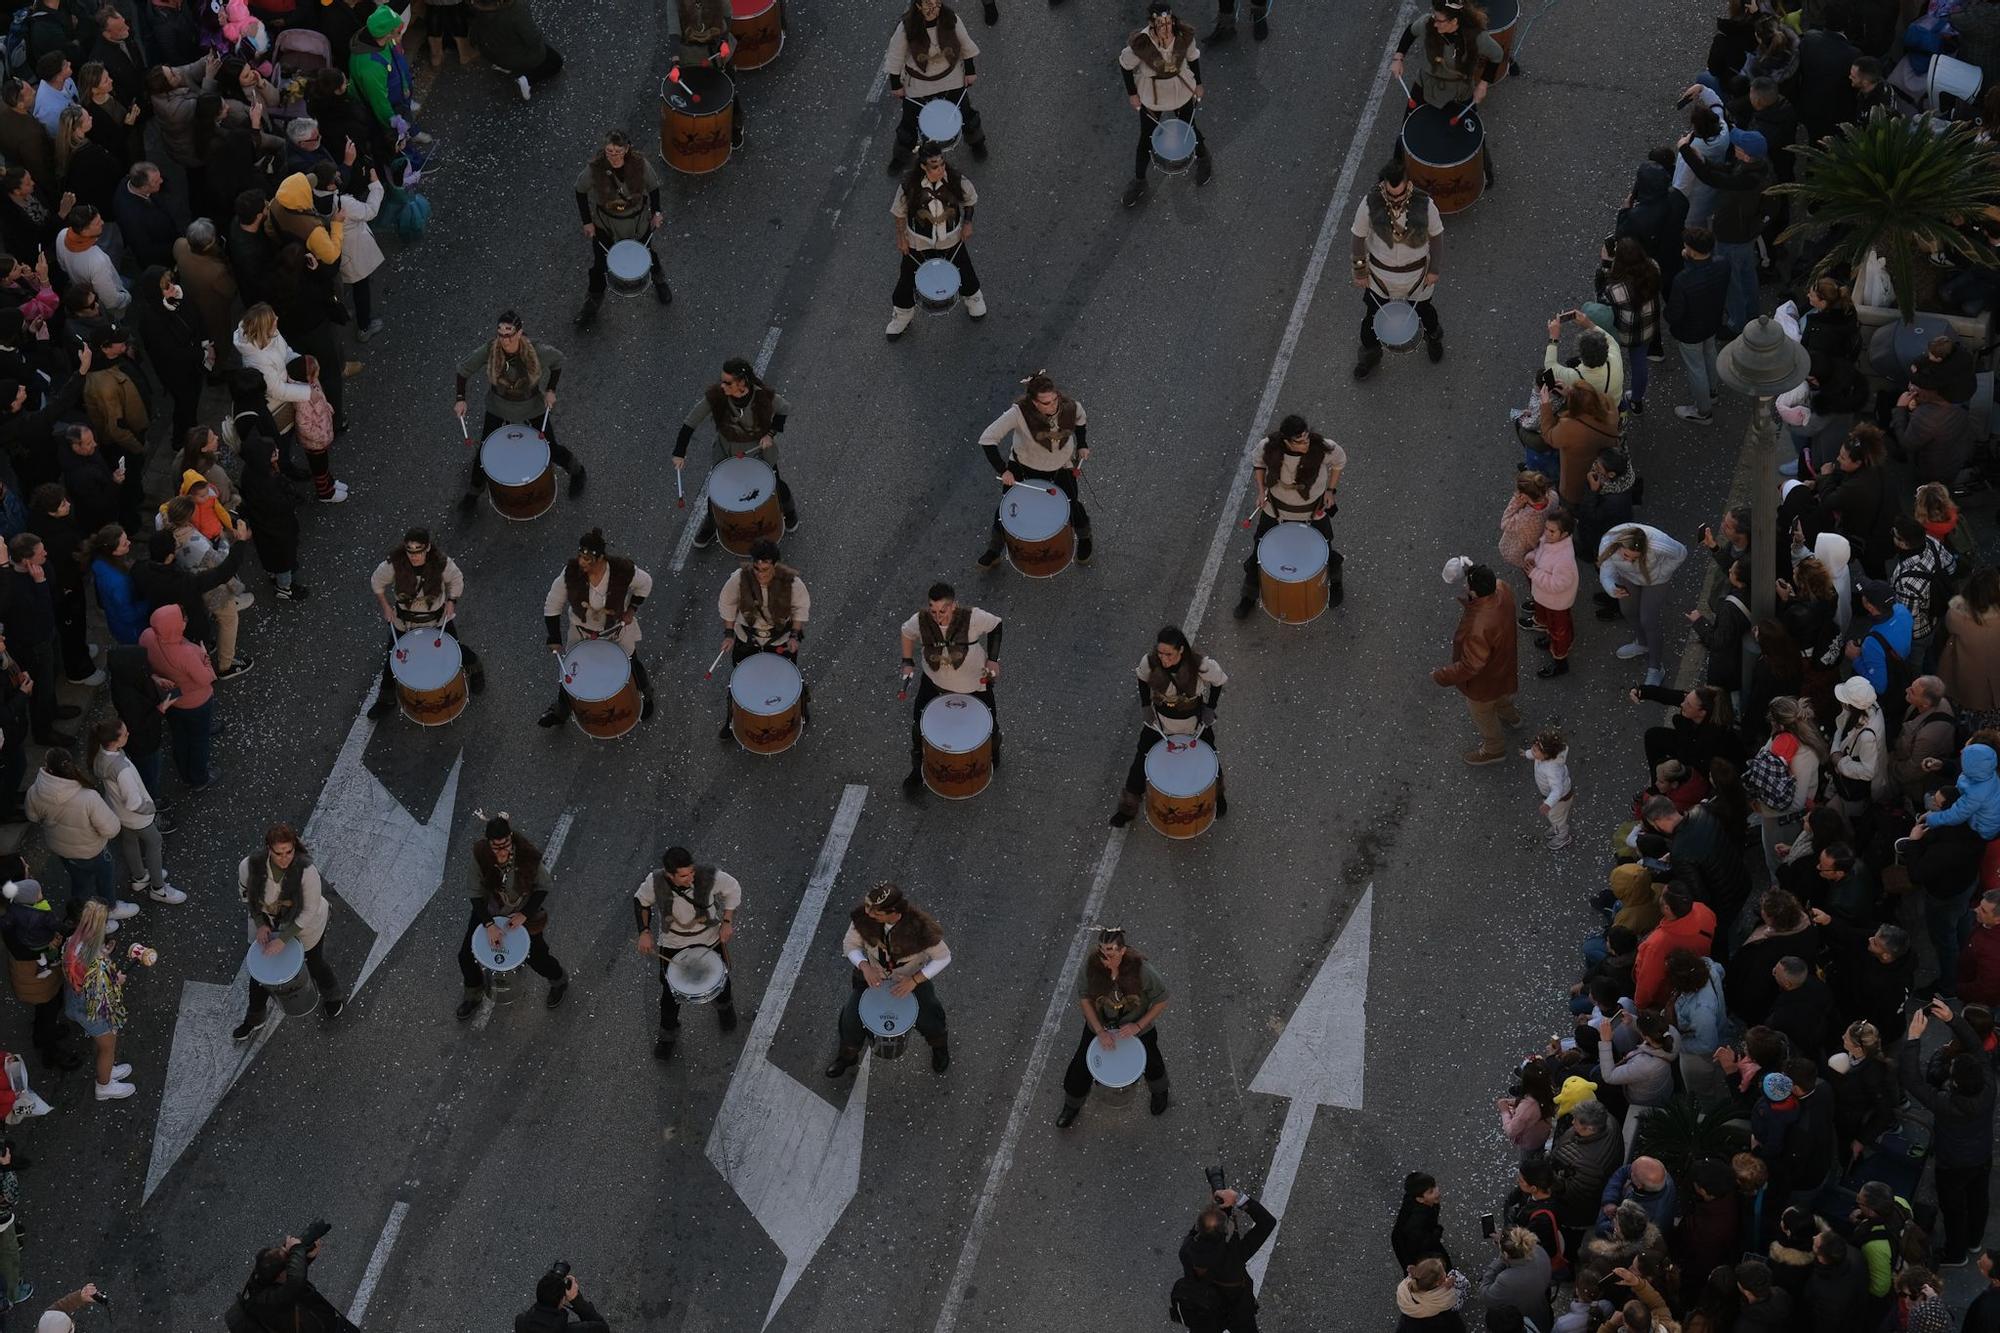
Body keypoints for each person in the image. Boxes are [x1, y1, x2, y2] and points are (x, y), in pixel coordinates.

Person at [454, 309, 586, 512]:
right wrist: (460, 400)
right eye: (500, 334)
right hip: (498, 406)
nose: (504, 340)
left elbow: (558, 362)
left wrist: (551, 390)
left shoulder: (537, 350)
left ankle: (577, 471)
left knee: (549, 447)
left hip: (531, 406)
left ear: (519, 333)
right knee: (484, 453)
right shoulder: (491, 349)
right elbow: (464, 370)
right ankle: (473, 492)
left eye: (508, 334)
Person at [1903, 998, 1995, 1265]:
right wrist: (1953, 1020)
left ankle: (1956, 1253)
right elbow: (1978, 1048)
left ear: (1953, 1081)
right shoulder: (1988, 1085)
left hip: (1953, 1161)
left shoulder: (1946, 1103)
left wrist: (1913, 1038)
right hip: (1981, 1153)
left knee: (1953, 1208)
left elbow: (1911, 1079)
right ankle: (1975, 1241)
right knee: (1979, 1197)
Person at [826, 881, 951, 1077]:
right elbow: (850, 945)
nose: (868, 913)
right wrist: (865, 966)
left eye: (875, 912)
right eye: (868, 907)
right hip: (871, 977)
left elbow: (943, 957)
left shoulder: (921, 928)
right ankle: (847, 1057)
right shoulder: (864, 918)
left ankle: (939, 1049)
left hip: (910, 979)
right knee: (850, 1019)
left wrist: (915, 980)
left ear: (893, 911)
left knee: (931, 1017)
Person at [1107, 625, 1226, 827]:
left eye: (1169, 654)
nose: (1164, 658)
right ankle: (1128, 808)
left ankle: (1217, 796)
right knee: (1140, 762)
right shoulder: (1150, 662)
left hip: (1193, 723)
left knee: (1210, 759)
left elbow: (1219, 680)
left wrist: (1210, 708)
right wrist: (1145, 706)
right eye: (1161, 653)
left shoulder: (1199, 664)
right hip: (1160, 723)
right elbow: (1142, 679)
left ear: (1181, 650)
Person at [235, 822, 344, 1040]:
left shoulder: (306, 871)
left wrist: (283, 939)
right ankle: (255, 1018)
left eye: (289, 851)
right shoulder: (248, 867)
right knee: (259, 976)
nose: (285, 858)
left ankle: (333, 997)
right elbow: (248, 897)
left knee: (314, 962)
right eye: (279, 853)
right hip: (269, 921)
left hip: (305, 926)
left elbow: (309, 911)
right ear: (268, 849)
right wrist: (261, 923)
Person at [674, 357, 798, 547]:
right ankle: (711, 524)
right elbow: (691, 422)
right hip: (727, 451)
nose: (722, 385)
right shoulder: (717, 396)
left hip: (758, 452)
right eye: (722, 380)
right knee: (717, 491)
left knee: (775, 485)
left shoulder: (763, 396)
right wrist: (679, 452)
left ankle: (789, 512)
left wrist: (770, 434)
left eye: (727, 382)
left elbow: (784, 409)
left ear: (742, 382)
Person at [538, 527, 655, 728]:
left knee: (631, 663)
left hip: (616, 632)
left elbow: (646, 583)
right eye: (580, 557)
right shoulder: (571, 573)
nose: (582, 563)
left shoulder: (622, 569)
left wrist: (632, 610)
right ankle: (561, 710)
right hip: (581, 633)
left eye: (588, 559)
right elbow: (552, 604)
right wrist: (554, 637)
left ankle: (645, 696)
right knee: (571, 673)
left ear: (601, 558)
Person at [633, 845, 740, 1063]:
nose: (690, 878)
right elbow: (640, 902)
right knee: (670, 996)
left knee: (720, 980)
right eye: (683, 875)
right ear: (669, 874)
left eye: (691, 872)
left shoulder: (709, 875)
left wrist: (727, 922)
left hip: (709, 938)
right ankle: (667, 1036)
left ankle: (725, 1008)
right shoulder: (655, 882)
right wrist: (644, 932)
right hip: (673, 942)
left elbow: (733, 889)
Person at [455, 813, 568, 1020]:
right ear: (489, 843)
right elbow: (475, 893)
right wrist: (489, 924)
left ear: (510, 837)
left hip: (521, 912)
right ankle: (474, 992)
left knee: (538, 957)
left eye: (506, 844)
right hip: (490, 910)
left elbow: (543, 887)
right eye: (497, 846)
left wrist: (524, 915)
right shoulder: (480, 853)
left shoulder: (527, 855)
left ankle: (559, 980)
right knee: (466, 955)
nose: (502, 850)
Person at [1055, 925, 1170, 1124]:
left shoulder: (1142, 970)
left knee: (1153, 1062)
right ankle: (1072, 1104)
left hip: (1136, 1027)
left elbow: (1162, 999)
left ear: (1122, 951)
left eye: (1110, 953)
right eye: (1102, 953)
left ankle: (1159, 1092)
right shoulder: (1091, 967)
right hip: (1099, 1026)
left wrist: (1138, 1026)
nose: (1105, 959)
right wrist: (1099, 1031)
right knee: (1080, 1068)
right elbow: (1084, 999)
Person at [366, 527, 484, 720]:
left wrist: (452, 602)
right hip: (404, 622)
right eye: (409, 550)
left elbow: (456, 580)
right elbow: (377, 582)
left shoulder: (441, 563)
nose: (413, 556)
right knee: (392, 659)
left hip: (436, 620)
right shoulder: (394, 564)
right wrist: (386, 606)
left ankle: (476, 669)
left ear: (427, 548)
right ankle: (386, 700)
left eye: (418, 550)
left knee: (453, 652)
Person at [1232, 414, 1344, 617]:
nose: (1306, 444)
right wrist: (1260, 491)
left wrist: (1331, 491)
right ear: (1286, 440)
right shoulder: (1269, 446)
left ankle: (1335, 583)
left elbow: (1339, 462)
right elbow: (1258, 463)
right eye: (1300, 441)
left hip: (1314, 512)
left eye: (1307, 438)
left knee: (1325, 548)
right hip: (1275, 511)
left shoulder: (1323, 447)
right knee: (1260, 551)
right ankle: (1249, 596)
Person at [976, 371, 1091, 567]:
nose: (1054, 405)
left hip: (1061, 466)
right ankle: (994, 549)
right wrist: (1003, 470)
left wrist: (1082, 444)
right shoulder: (1018, 413)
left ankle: (1085, 538)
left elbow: (1080, 420)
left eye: (1055, 399)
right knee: (1008, 508)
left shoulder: (1070, 406)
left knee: (1072, 504)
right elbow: (987, 439)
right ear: (1034, 403)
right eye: (1046, 402)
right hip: (1024, 466)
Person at [898, 581, 1001, 797]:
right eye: (933, 610)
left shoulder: (972, 617)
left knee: (990, 723)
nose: (937, 616)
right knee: (919, 725)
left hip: (974, 684)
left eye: (942, 611)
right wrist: (907, 660)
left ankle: (991, 755)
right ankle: (918, 768)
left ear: (953, 605)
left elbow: (996, 625)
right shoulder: (921, 620)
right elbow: (906, 632)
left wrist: (992, 660)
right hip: (934, 683)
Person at [1351, 159, 1443, 379]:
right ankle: (1370, 354)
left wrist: (1434, 269)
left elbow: (1437, 237)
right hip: (1380, 278)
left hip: (1417, 277)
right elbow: (1357, 238)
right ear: (1383, 187)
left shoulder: (1426, 205)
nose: (1396, 201)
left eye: (1400, 196)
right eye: (1391, 196)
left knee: (1425, 312)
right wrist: (1360, 271)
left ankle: (1434, 338)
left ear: (1408, 185)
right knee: (1372, 317)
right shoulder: (1369, 204)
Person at [885, 142, 983, 339]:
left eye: (942, 164)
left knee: (964, 268)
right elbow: (899, 213)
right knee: (906, 278)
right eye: (935, 166)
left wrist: (967, 223)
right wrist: (901, 237)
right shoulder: (909, 186)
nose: (940, 169)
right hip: (918, 241)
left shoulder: (956, 180)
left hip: (950, 237)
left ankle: (973, 298)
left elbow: (970, 200)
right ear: (923, 166)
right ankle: (902, 315)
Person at [714, 538, 810, 739]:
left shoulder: (792, 582)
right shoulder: (739, 579)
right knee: (740, 681)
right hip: (746, 638)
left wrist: (794, 635)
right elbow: (727, 603)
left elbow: (800, 609)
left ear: (775, 565)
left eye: (765, 570)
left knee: (789, 679)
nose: (760, 574)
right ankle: (732, 721)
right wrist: (729, 634)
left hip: (780, 639)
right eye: (757, 569)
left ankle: (799, 709)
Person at [1119, 1, 1211, 209]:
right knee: (1146, 139)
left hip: (1181, 92)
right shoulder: (1141, 44)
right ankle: (1139, 181)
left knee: (1190, 128)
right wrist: (1132, 93)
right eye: (1161, 23)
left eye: (1168, 22)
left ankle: (1204, 159)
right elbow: (1125, 65)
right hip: (1153, 98)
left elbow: (1193, 58)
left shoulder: (1183, 37)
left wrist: (1199, 83)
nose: (1166, 28)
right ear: (1152, 24)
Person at [572, 129, 667, 329]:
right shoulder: (595, 169)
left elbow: (653, 187)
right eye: (609, 151)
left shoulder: (640, 165)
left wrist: (657, 212)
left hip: (637, 223)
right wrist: (587, 222)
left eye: (617, 151)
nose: (613, 156)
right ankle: (591, 305)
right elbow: (580, 190)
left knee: (648, 254)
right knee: (599, 265)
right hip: (606, 225)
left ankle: (660, 282)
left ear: (626, 149)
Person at [883, 0, 987, 178]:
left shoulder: (951, 19)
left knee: (965, 113)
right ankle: (901, 156)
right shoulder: (905, 28)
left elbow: (964, 45)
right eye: (927, 4)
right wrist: (896, 84)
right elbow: (895, 56)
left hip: (951, 79)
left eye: (936, 2)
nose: (933, 8)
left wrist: (969, 70)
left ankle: (977, 142)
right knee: (909, 123)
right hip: (918, 84)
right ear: (917, 6)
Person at [1432, 562, 1519, 765]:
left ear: (1475, 592)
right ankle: (1512, 717)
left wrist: (1441, 675)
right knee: (1500, 694)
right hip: (1503, 663)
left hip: (1484, 681)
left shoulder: (1479, 626)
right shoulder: (1502, 588)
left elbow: (1471, 666)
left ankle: (1494, 749)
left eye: (1468, 585)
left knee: (1483, 714)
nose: (1465, 587)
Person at [87, 719, 178, 907]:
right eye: (125, 733)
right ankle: (158, 889)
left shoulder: (99, 756)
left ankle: (139, 877)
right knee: (154, 843)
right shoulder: (122, 769)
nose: (128, 734)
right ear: (115, 741)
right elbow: (134, 801)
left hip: (118, 812)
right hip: (137, 816)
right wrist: (151, 807)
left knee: (129, 841)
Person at [1598, 523, 1688, 688]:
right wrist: (1611, 588)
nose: (1630, 560)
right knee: (1628, 610)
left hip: (1656, 581)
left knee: (1649, 620)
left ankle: (1655, 667)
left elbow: (1681, 552)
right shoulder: (1608, 543)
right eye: (1626, 556)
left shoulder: (1658, 544)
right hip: (1629, 577)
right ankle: (1642, 643)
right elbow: (1606, 570)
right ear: (1618, 546)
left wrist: (1663, 573)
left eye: (1635, 557)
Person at [1177, 1186, 1276, 1332]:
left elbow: (1200, 1231)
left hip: (1204, 1310)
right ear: (1225, 1232)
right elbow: (1267, 1222)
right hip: (1237, 1313)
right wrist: (1237, 1198)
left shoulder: (1186, 1251)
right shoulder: (1234, 1256)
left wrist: (1214, 1210)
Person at [63, 900, 134, 1099]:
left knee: (106, 1045)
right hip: (91, 1008)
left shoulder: (73, 941)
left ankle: (108, 1070)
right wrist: (117, 980)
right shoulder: (94, 957)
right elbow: (101, 989)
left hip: (76, 999)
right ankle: (104, 1085)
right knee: (107, 1046)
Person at [141, 602, 216, 791]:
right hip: (196, 702)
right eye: (182, 619)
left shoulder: (147, 637)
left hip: (172, 700)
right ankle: (199, 778)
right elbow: (206, 678)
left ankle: (184, 772)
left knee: (180, 737)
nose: (185, 622)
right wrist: (205, 658)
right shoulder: (186, 653)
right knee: (199, 739)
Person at [231, 1227, 358, 1333]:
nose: (291, 1262)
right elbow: (295, 1282)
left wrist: (306, 1257)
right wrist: (297, 1249)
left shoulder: (267, 1279)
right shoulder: (267, 1301)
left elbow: (293, 1276)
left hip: (330, 1324)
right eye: (288, 1262)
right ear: (280, 1275)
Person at [1526, 509, 1579, 680]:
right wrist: (1533, 556)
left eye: (1552, 531)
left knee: (1559, 631)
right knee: (1554, 625)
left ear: (1564, 534)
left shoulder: (1564, 559)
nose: (1547, 533)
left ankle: (1560, 661)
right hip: (1548, 599)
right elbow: (1542, 553)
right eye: (1546, 528)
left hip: (1556, 601)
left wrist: (1534, 573)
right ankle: (1554, 642)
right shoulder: (1551, 541)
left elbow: (1558, 584)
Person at [514, 1268, 610, 1333]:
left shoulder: (521, 1322)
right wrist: (577, 1301)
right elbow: (603, 1328)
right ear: (563, 1300)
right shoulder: (574, 1330)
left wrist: (551, 1282)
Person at [1525, 727, 1574, 850]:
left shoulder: (1552, 769)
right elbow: (1532, 754)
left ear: (1546, 754)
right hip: (1551, 796)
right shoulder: (1542, 756)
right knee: (1554, 816)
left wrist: (1548, 803)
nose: (1532, 751)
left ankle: (1563, 836)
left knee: (1556, 817)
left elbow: (1557, 790)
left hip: (1559, 799)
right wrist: (1526, 754)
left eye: (1535, 750)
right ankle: (1556, 827)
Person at [1393, 1172, 1451, 1271]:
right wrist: (1437, 1231)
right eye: (1431, 1191)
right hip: (1410, 1245)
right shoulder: (1417, 1220)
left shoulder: (1421, 1200)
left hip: (1413, 1238)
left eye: (1435, 1186)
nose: (1437, 1191)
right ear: (1420, 1199)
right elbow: (1419, 1244)